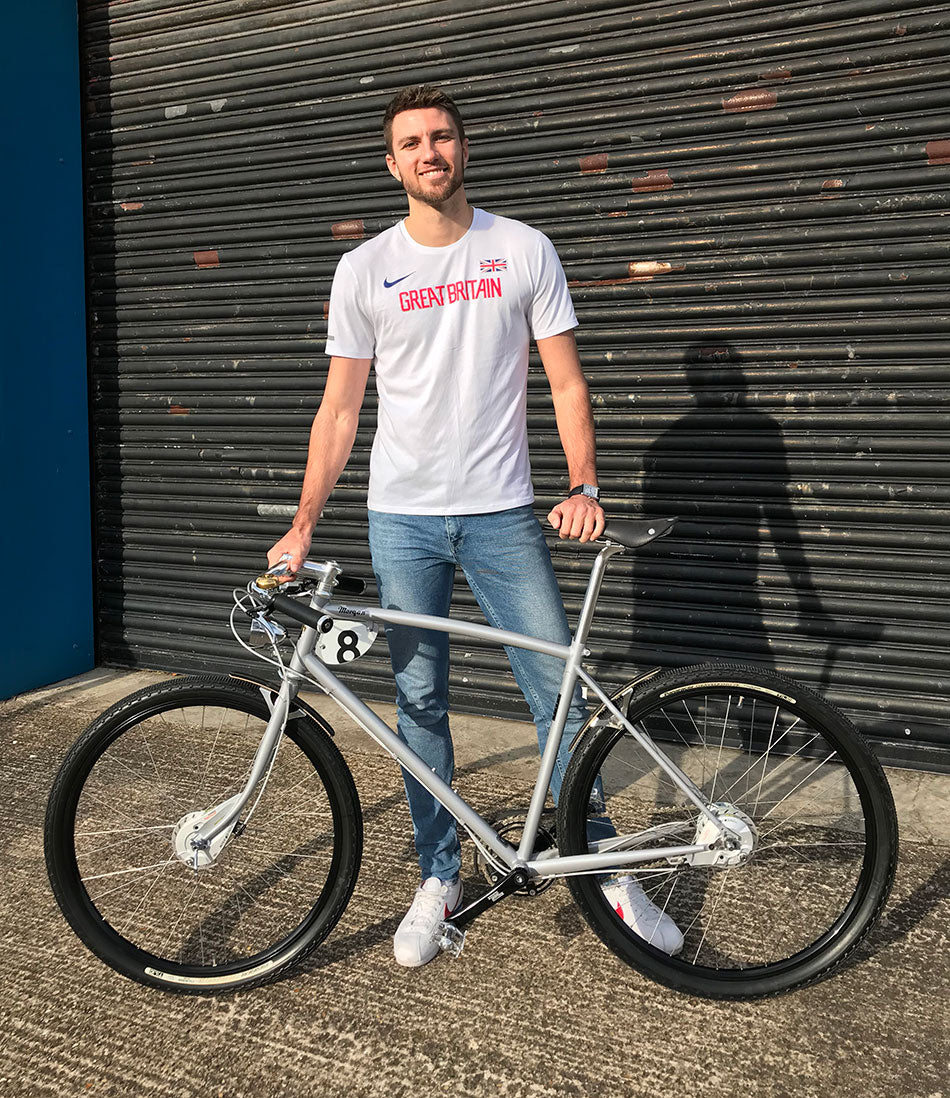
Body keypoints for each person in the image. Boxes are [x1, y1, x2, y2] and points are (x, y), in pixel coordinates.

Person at [267, 85, 682, 966]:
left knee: (555, 695)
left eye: (442, 136)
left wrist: (583, 484)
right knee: (418, 703)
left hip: (503, 512)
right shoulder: (363, 271)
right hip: (401, 519)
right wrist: (305, 524)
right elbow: (339, 410)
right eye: (411, 142)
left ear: (464, 148)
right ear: (393, 163)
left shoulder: (523, 248)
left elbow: (566, 383)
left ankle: (601, 860)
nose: (429, 152)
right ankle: (438, 873)